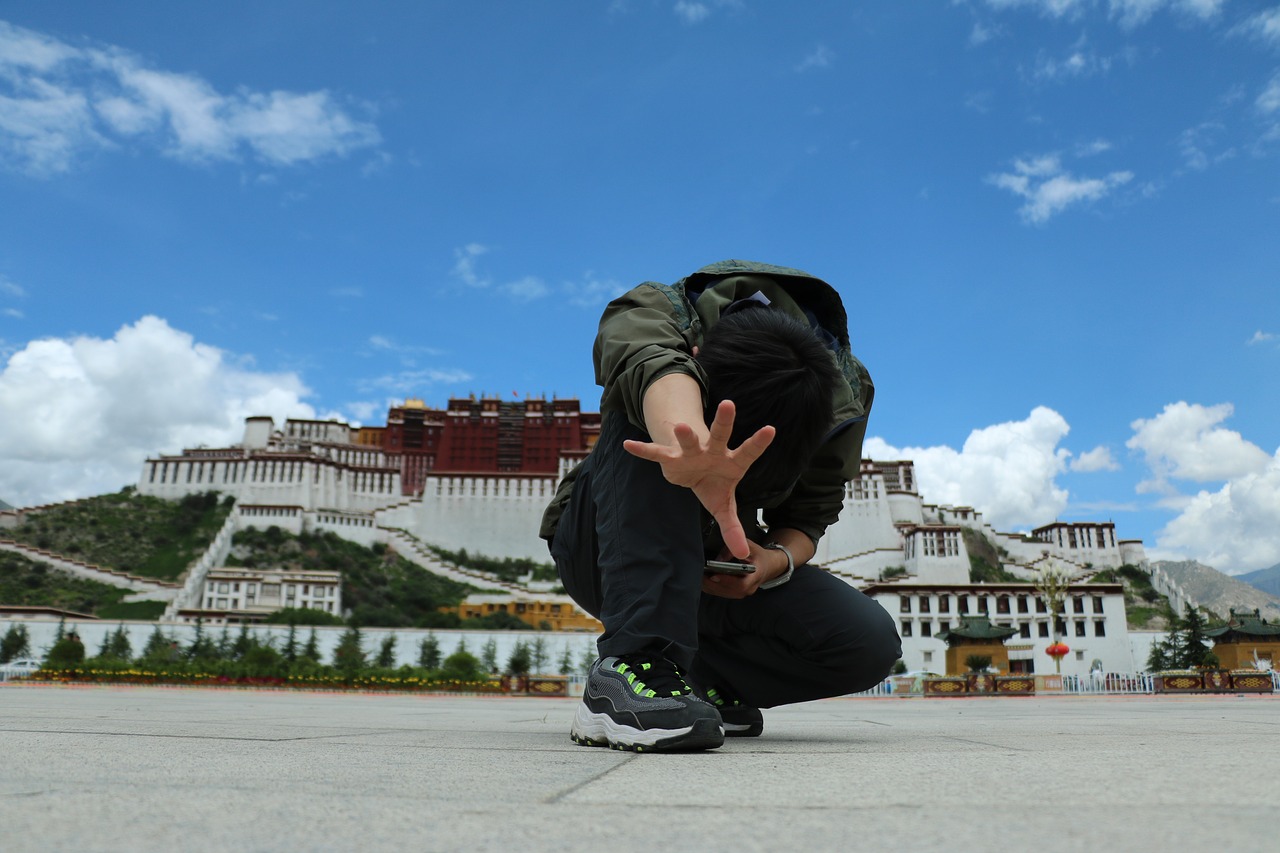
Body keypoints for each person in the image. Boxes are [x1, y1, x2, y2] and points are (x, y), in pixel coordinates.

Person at [540, 259, 901, 752]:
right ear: (698, 353)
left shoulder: (843, 394)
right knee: (658, 435)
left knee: (866, 641)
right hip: (603, 551)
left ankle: (699, 682)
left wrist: (770, 561)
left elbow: (810, 514)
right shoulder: (658, 309)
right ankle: (629, 668)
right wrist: (691, 452)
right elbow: (650, 361)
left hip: (715, 568)